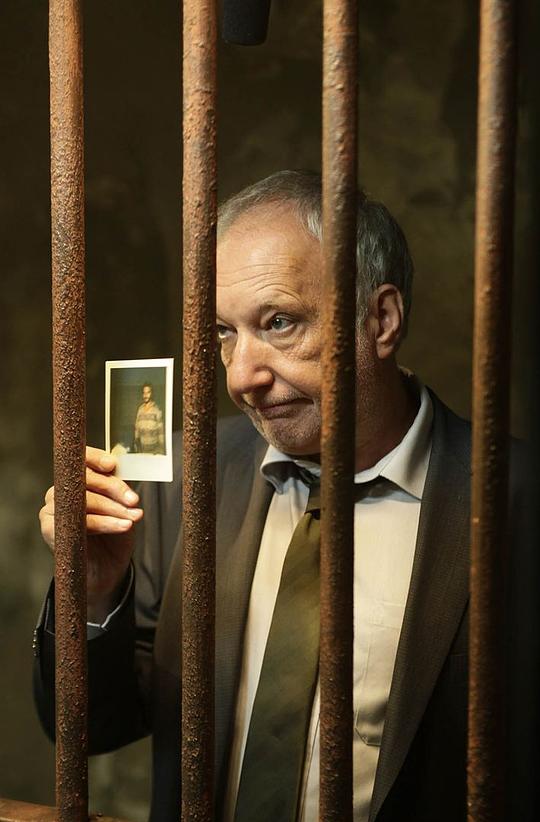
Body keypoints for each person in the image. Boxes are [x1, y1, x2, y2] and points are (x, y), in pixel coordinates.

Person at [35, 170, 521, 822]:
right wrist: (94, 595)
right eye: (223, 332)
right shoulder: (186, 475)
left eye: (280, 322)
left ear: (380, 319)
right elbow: (96, 726)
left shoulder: (513, 501)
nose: (242, 377)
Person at [133, 383, 165, 454]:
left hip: (154, 451)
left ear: (152, 394)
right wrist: (136, 443)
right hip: (142, 451)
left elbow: (161, 432)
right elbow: (137, 428)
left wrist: (161, 449)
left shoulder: (157, 410)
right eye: (144, 393)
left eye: (148, 392)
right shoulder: (140, 410)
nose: (145, 395)